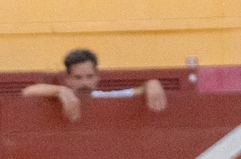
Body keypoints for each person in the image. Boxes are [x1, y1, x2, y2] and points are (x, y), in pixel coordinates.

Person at [22, 47, 166, 121]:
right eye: (78, 78)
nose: (85, 83)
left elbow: (138, 91)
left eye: (89, 76)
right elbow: (27, 92)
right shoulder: (61, 96)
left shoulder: (107, 97)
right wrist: (60, 90)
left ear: (97, 78)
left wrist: (152, 83)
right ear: (68, 79)